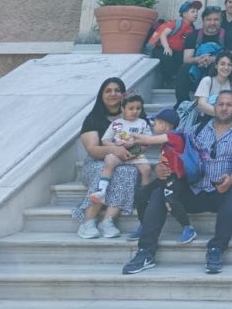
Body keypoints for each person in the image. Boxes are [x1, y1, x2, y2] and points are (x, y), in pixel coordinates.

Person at [122, 91, 232, 276]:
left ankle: (216, 249)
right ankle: (145, 252)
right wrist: (160, 166)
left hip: (219, 189)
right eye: (220, 104)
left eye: (229, 104)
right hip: (192, 188)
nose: (224, 108)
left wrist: (230, 180)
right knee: (159, 193)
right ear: (214, 107)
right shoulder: (196, 129)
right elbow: (172, 149)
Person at [74, 78, 135, 239]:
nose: (113, 94)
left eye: (117, 90)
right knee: (103, 170)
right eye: (108, 91)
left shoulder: (133, 115)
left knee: (128, 172)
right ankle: (88, 221)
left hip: (124, 162)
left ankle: (108, 221)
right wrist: (114, 150)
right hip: (95, 163)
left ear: (123, 94)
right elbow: (93, 150)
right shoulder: (93, 119)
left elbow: (141, 140)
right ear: (101, 95)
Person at [125, 108, 195, 245]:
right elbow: (144, 145)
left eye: (155, 123)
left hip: (176, 179)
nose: (153, 126)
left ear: (164, 125)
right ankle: (144, 224)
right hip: (165, 177)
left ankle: (188, 227)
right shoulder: (164, 141)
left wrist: (135, 138)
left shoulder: (175, 137)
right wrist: (129, 147)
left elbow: (149, 140)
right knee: (141, 195)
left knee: (170, 200)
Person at [89, 94, 152, 204]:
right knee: (109, 161)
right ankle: (102, 192)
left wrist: (136, 144)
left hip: (136, 152)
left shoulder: (142, 123)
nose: (135, 111)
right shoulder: (117, 123)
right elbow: (105, 140)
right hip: (118, 152)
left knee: (146, 169)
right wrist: (116, 146)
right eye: (131, 108)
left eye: (138, 108)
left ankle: (144, 197)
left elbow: (148, 141)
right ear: (123, 109)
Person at [175, 6, 226, 108]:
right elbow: (187, 59)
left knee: (217, 67)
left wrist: (212, 60)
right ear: (203, 21)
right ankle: (183, 104)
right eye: (209, 20)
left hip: (218, 70)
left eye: (216, 19)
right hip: (197, 69)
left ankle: (212, 102)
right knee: (184, 69)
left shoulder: (227, 36)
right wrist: (199, 59)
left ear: (220, 21)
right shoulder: (193, 35)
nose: (212, 23)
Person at [154, 0, 202, 86]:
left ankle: (177, 80)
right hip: (162, 48)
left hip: (177, 52)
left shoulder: (192, 29)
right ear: (184, 14)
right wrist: (166, 47)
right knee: (167, 58)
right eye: (193, 12)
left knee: (182, 61)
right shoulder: (175, 24)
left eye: (197, 12)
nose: (196, 14)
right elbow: (163, 35)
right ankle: (169, 80)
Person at [194, 52, 232, 118]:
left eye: (229, 65)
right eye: (222, 64)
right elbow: (201, 104)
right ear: (216, 65)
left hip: (227, 121)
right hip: (208, 118)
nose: (226, 67)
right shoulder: (207, 80)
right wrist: (223, 114)